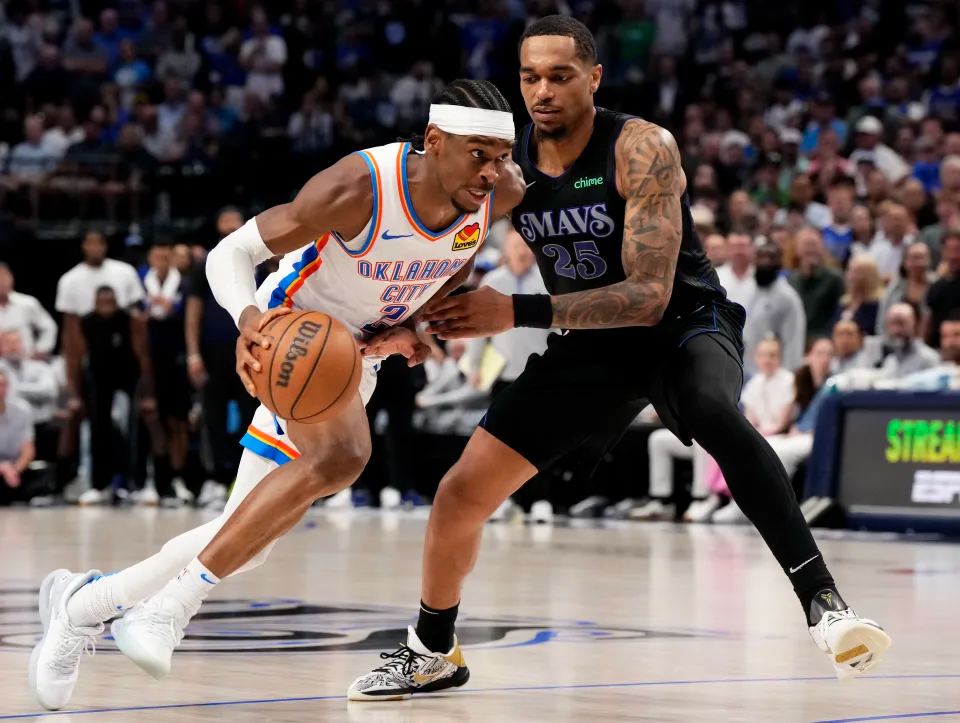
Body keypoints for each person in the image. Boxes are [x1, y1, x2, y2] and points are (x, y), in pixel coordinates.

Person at [349, 16, 889, 700]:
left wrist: (514, 310)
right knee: (460, 492)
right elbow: (450, 256)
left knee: (709, 409)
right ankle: (433, 648)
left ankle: (826, 605)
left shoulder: (641, 147)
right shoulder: (506, 169)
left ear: (595, 77)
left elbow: (646, 296)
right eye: (529, 77)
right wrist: (413, 324)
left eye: (560, 75)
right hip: (590, 344)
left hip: (684, 324)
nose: (542, 90)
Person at [28, 79, 525, 712]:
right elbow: (229, 254)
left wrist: (415, 326)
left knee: (250, 537)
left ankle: (84, 604)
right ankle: (167, 610)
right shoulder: (359, 187)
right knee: (342, 458)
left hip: (355, 355)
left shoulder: (499, 190)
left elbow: (446, 260)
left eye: (500, 156)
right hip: (292, 337)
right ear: (433, 140)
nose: (491, 171)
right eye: (477, 154)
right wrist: (246, 319)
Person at [185, 209, 259, 508]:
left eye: (234, 229)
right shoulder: (206, 265)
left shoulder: (260, 265)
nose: (229, 234)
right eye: (224, 230)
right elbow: (193, 313)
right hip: (213, 356)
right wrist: (192, 354)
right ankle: (215, 480)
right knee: (212, 420)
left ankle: (243, 483)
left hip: (253, 355)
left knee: (250, 420)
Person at [76, 287, 154, 506]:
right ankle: (100, 485)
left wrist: (147, 391)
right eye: (103, 302)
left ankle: (137, 484)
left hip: (128, 377)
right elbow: (80, 355)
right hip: (99, 380)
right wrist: (77, 391)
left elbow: (142, 354)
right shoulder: (87, 322)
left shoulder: (129, 321)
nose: (107, 306)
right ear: (95, 302)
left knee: (135, 429)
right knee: (98, 430)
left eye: (111, 302)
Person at [743, 242, 807, 374]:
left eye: (770, 257)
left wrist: (787, 376)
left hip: (774, 372)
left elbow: (793, 340)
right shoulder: (747, 289)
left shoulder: (787, 297)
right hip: (745, 370)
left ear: (779, 262)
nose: (765, 261)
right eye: (761, 256)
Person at [788, 227, 845, 340]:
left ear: (821, 248)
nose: (810, 250)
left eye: (813, 245)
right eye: (806, 245)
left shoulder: (834, 279)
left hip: (824, 339)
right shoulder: (790, 280)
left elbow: (840, 314)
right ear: (797, 250)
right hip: (796, 338)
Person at [0, 262, 58, 358]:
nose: (1, 282)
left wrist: (41, 349)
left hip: (27, 360)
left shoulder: (27, 303)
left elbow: (49, 327)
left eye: (4, 277)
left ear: (11, 278)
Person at [877, 241, 935, 336]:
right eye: (913, 258)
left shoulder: (937, 286)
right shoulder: (894, 289)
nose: (918, 263)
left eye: (921, 258)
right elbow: (882, 324)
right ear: (905, 262)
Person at [878, 303, 940, 379]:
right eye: (892, 324)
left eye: (901, 323)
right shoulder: (890, 361)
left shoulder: (928, 358)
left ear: (914, 324)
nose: (896, 330)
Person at [831, 254, 883, 335]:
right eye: (849, 270)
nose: (850, 276)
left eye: (856, 272)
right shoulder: (843, 303)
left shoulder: (877, 305)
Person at [925, 231, 960, 349]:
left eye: (957, 250)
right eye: (949, 250)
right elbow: (928, 330)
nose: (953, 256)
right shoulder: (937, 288)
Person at [715, 231, 755, 306]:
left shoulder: (763, 276)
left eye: (743, 247)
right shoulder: (716, 276)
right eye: (734, 247)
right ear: (727, 249)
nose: (739, 252)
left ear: (752, 248)